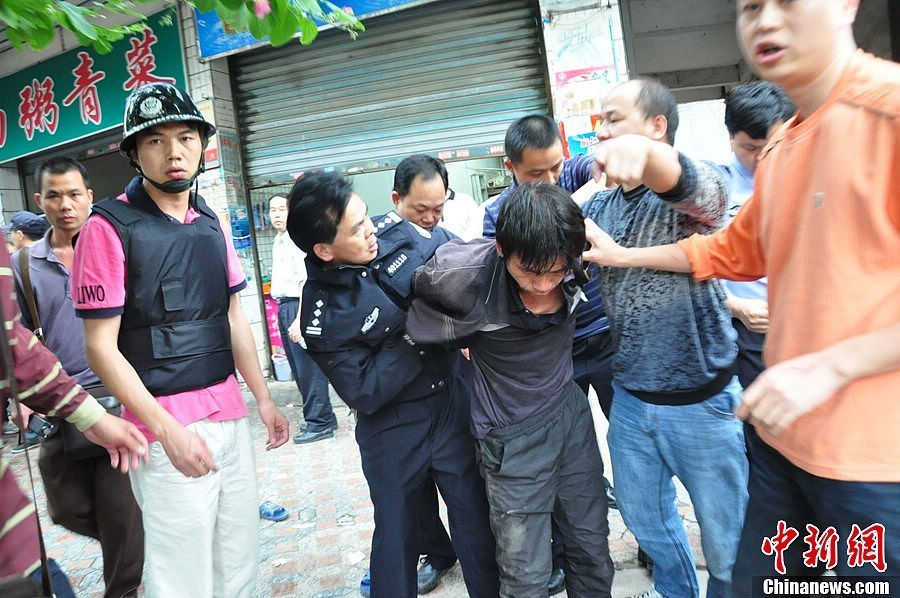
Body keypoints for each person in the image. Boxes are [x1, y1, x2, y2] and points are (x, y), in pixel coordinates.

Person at [582, 1, 899, 595]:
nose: (765, 22)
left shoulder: (888, 114)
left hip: (876, 466)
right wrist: (621, 257)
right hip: (782, 444)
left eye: (786, 2)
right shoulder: (783, 151)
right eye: (751, 6)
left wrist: (833, 365)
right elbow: (722, 252)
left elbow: (694, 193)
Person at [72, 82, 290, 598]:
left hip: (228, 414)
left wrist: (262, 398)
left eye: (186, 136)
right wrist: (166, 432)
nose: (174, 152)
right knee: (181, 571)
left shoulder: (210, 221)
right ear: (133, 152)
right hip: (162, 424)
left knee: (237, 553)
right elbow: (99, 348)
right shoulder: (107, 228)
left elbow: (234, 313)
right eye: (155, 140)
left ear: (202, 145)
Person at [287, 171, 499, 598]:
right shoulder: (320, 315)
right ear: (324, 249)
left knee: (475, 520)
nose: (370, 231)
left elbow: (454, 262)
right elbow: (365, 388)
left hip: (451, 405)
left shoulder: (396, 233)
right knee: (396, 537)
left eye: (365, 217)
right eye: (355, 229)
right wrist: (416, 328)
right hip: (392, 430)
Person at [580, 78, 748, 598]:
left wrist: (648, 157)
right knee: (644, 519)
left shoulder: (700, 188)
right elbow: (547, 230)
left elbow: (696, 191)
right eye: (600, 122)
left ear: (657, 126)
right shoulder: (602, 209)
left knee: (726, 537)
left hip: (702, 402)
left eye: (614, 119)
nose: (603, 131)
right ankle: (677, 590)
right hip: (631, 397)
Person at [407, 182, 614, 597]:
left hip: (569, 418)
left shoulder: (582, 253)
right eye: (530, 272)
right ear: (501, 249)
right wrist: (457, 338)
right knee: (525, 571)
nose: (543, 285)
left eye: (556, 272)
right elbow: (408, 291)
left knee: (590, 545)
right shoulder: (459, 278)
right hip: (510, 440)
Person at [483, 115, 624, 592]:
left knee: (598, 481)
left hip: (597, 340)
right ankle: (555, 560)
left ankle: (643, 538)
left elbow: (603, 164)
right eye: (535, 175)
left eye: (554, 168)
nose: (549, 179)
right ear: (510, 168)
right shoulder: (497, 222)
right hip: (535, 387)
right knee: (527, 549)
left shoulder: (574, 177)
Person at [11, 157, 144, 598]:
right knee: (66, 509)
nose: (65, 205)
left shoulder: (116, 247)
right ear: (40, 201)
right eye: (54, 195)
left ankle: (124, 585)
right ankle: (137, 546)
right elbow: (17, 336)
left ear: (90, 196)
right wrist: (22, 397)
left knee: (120, 510)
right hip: (58, 402)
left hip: (116, 394)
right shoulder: (24, 265)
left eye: (74, 194)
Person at [386, 154, 462, 594]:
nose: (432, 218)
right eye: (421, 209)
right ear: (398, 199)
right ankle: (434, 552)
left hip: (450, 378)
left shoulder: (451, 241)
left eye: (439, 207)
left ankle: (471, 549)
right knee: (412, 488)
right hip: (400, 386)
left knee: (459, 478)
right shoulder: (375, 244)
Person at [719, 81, 794, 387]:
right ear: (730, 138)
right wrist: (735, 306)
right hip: (750, 329)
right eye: (750, 148)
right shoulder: (714, 189)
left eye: (772, 146)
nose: (762, 158)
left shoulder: (807, 179)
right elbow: (691, 265)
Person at [268, 194, 338, 444]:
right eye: (272, 210)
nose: (276, 214)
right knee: (298, 369)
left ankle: (319, 422)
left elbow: (305, 281)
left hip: (298, 306)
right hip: (284, 306)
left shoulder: (296, 242)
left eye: (281, 209)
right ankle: (323, 418)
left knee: (308, 368)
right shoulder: (278, 241)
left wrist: (299, 320)